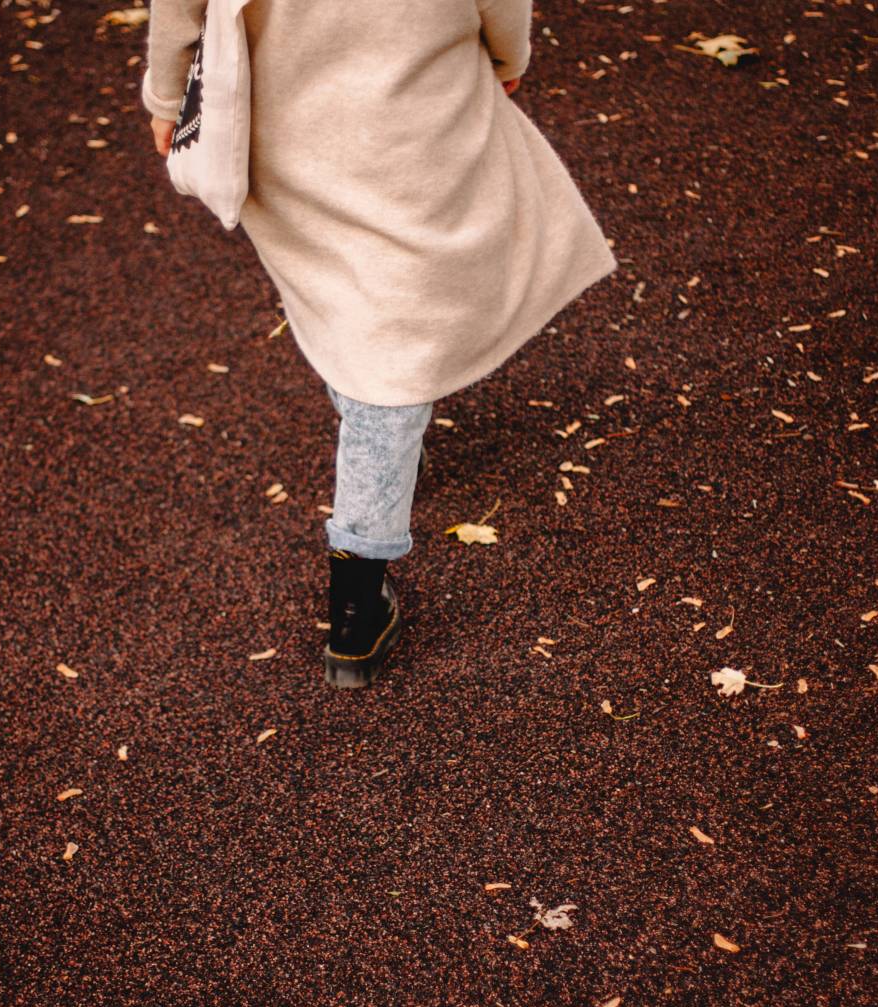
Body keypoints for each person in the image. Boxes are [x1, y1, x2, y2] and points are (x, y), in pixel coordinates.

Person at [143, 0, 618, 688]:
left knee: (352, 301)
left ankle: (379, 480)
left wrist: (166, 92)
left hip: (288, 114)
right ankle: (357, 606)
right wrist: (508, 56)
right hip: (416, 109)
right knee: (394, 339)